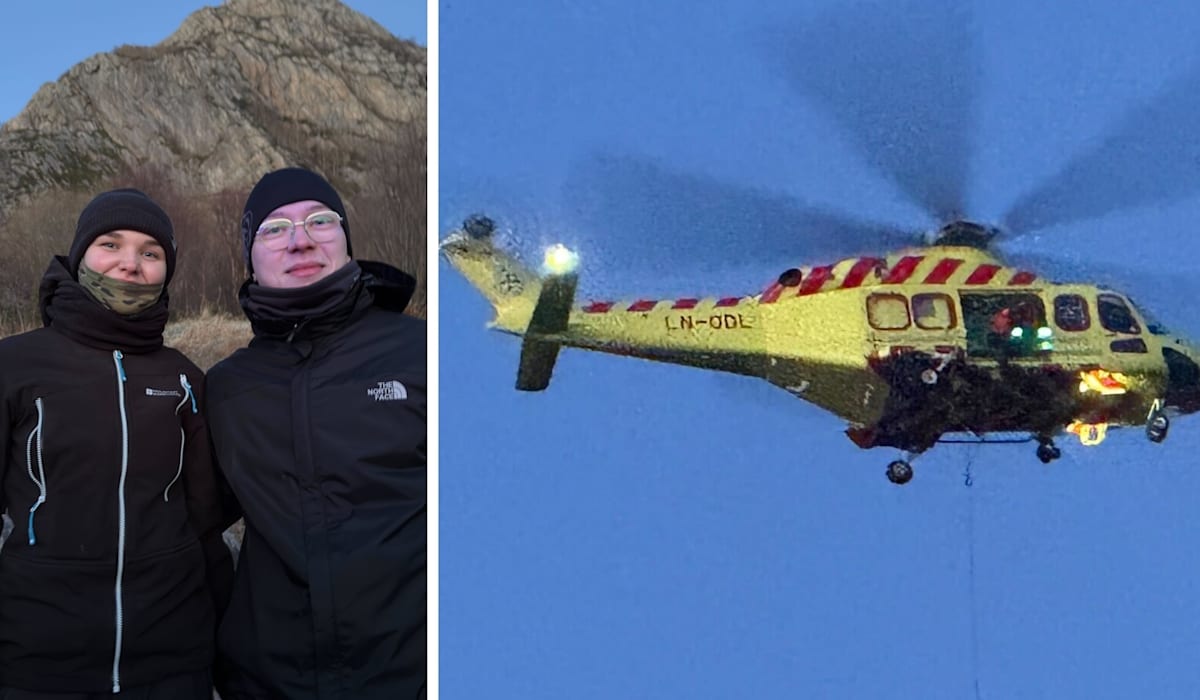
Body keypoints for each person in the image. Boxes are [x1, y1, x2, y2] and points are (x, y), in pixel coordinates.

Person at [0, 189, 233, 698]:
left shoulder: (184, 377)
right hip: (37, 664)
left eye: (151, 253)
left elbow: (206, 524)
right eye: (111, 244)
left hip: (172, 663)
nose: (130, 264)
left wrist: (225, 651)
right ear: (81, 252)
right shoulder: (14, 366)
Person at [207, 167, 426, 699]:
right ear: (250, 261)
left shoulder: (425, 353)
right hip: (269, 684)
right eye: (274, 229)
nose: (300, 239)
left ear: (346, 241)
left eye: (320, 220)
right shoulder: (226, 388)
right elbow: (179, 522)